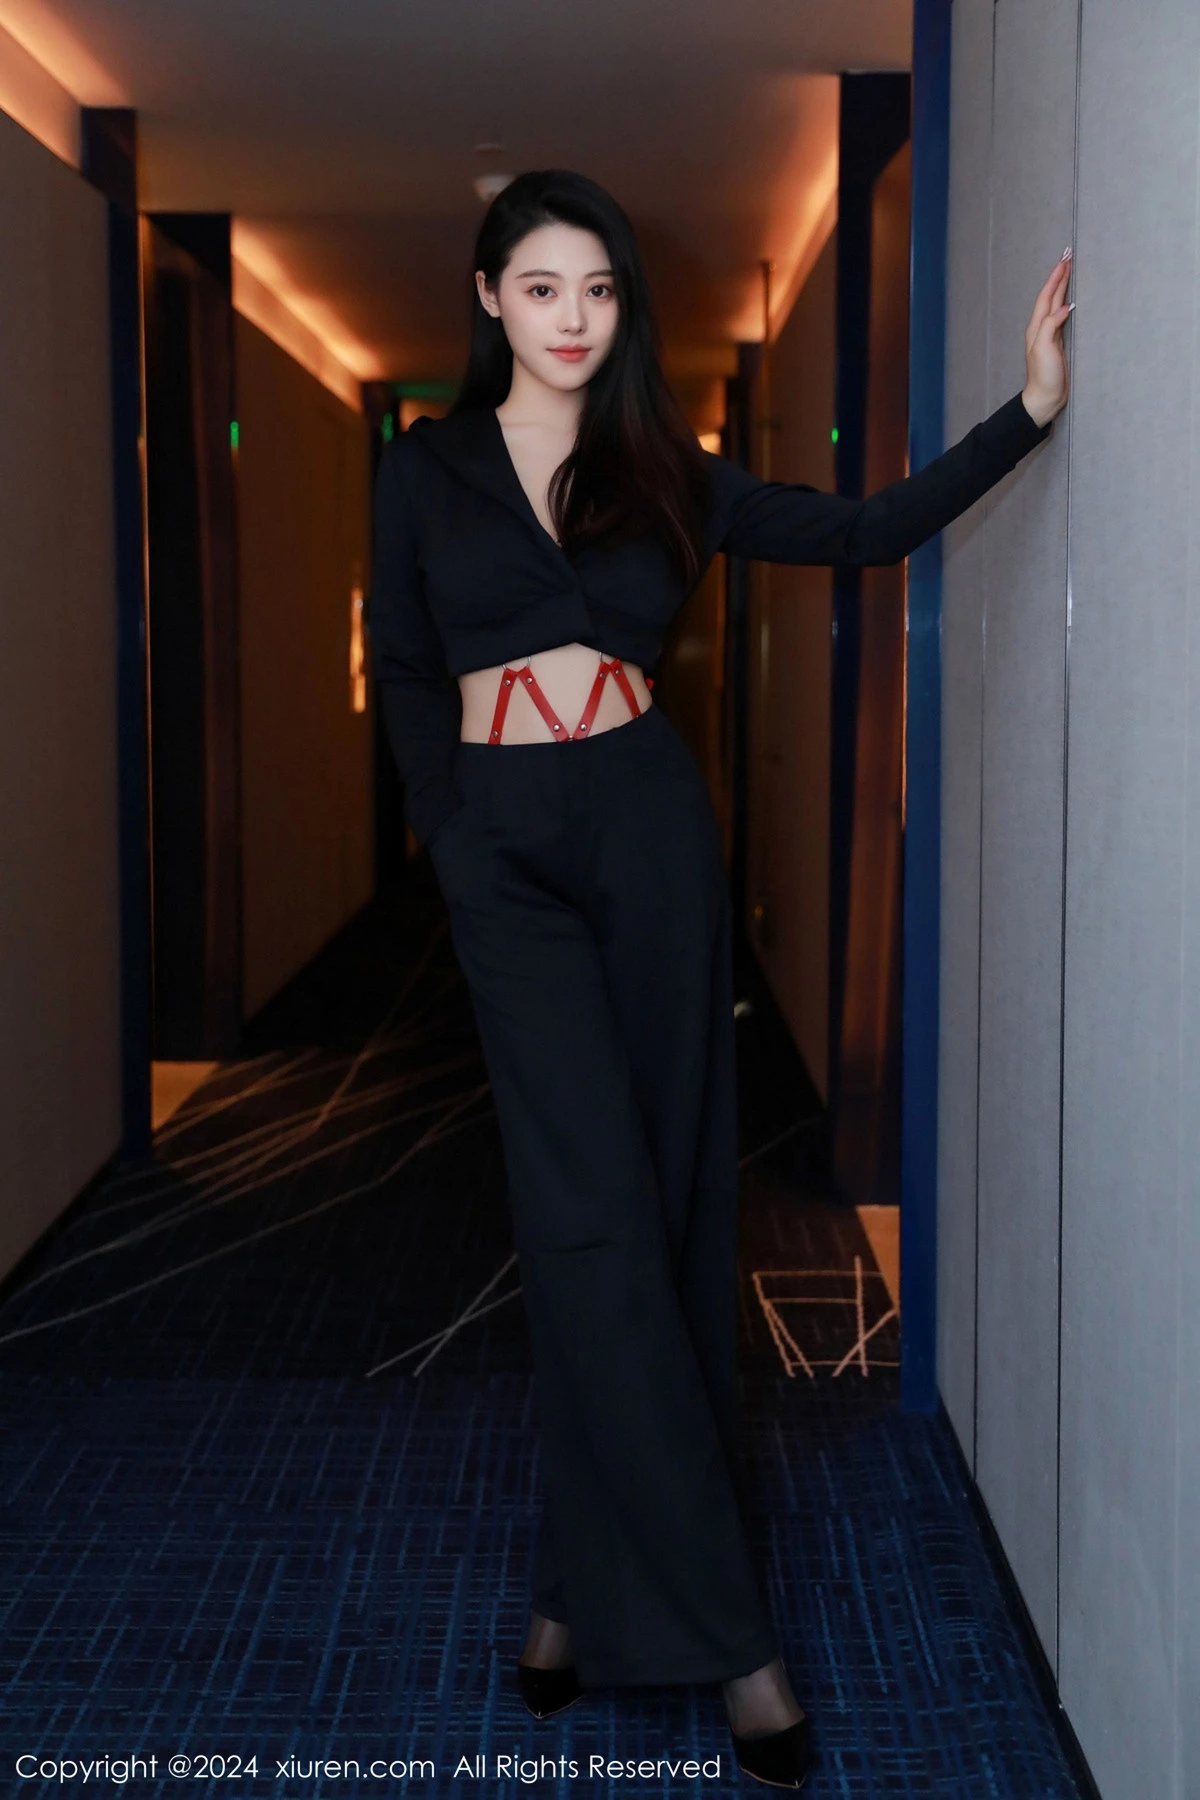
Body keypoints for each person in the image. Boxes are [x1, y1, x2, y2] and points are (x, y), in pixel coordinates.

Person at [368, 169, 1071, 1789]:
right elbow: (406, 665)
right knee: (586, 1218)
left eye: (598, 289)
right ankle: (734, 1633)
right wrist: (451, 838)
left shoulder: (663, 470)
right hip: (506, 859)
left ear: (622, 306)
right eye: (541, 287)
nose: (572, 317)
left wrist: (1028, 414)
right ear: (488, 298)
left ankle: (573, 1590)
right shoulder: (426, 472)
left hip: (647, 834)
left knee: (674, 1210)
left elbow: (865, 529)